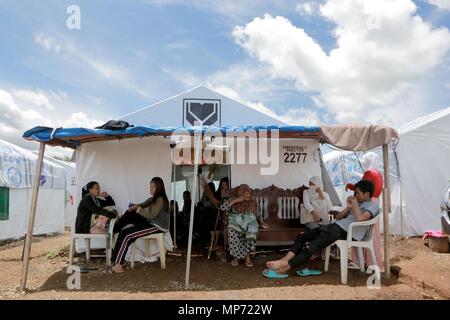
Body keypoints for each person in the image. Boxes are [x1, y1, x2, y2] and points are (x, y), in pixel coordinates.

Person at [265, 180, 379, 276]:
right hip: (335, 227)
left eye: (357, 193)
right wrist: (348, 207)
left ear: (367, 194)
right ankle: (284, 260)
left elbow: (359, 219)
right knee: (302, 236)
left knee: (312, 246)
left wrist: (354, 206)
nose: (355, 195)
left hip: (346, 232)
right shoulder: (357, 203)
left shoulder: (372, 205)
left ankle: (286, 267)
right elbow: (338, 217)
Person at [110, 177, 169, 273]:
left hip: (157, 226)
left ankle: (118, 265)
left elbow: (151, 215)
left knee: (126, 234)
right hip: (151, 222)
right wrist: (135, 207)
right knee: (130, 215)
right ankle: (113, 233)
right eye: (150, 187)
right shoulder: (152, 199)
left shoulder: (160, 199)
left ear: (159, 187)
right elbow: (142, 205)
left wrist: (137, 209)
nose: (150, 189)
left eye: (153, 187)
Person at [346, 152, 383, 270]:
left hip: (366, 203)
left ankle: (358, 261)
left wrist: (351, 187)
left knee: (358, 230)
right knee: (373, 234)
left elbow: (361, 188)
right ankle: (373, 262)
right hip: (375, 203)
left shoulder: (369, 173)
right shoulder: (379, 174)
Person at [220, 184, 269, 267]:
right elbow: (222, 208)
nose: (248, 195)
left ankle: (247, 257)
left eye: (249, 193)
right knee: (233, 231)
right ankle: (236, 257)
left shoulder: (252, 201)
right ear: (240, 193)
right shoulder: (233, 199)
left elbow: (257, 212)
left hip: (250, 220)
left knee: (251, 231)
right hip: (236, 220)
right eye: (245, 193)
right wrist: (236, 201)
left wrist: (262, 221)